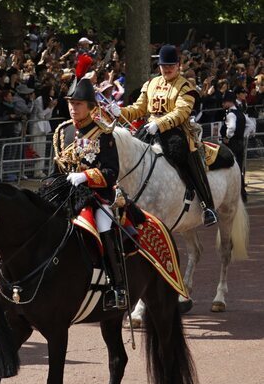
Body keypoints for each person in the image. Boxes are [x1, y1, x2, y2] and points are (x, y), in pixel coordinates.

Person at [112, 44, 217, 226]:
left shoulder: (186, 86)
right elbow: (138, 108)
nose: (167, 69)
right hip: (150, 128)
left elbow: (181, 113)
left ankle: (207, 205)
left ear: (178, 65)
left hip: (176, 132)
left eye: (171, 65)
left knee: (185, 155)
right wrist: (120, 112)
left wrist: (160, 124)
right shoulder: (151, 84)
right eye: (163, 65)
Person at [52, 78, 126, 311]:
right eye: (71, 103)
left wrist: (86, 177)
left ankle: (117, 286)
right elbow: (56, 168)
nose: (73, 108)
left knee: (104, 225)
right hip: (66, 193)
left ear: (92, 106)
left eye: (79, 103)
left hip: (96, 196)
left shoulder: (103, 133)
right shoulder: (63, 131)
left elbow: (111, 172)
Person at [221, 91, 247, 202]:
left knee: (230, 168)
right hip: (240, 143)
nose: (222, 105)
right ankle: (242, 193)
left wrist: (227, 137)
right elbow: (250, 124)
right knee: (239, 168)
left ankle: (236, 194)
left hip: (232, 144)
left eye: (223, 102)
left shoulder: (231, 114)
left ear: (228, 102)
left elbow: (231, 128)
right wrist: (243, 135)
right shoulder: (240, 113)